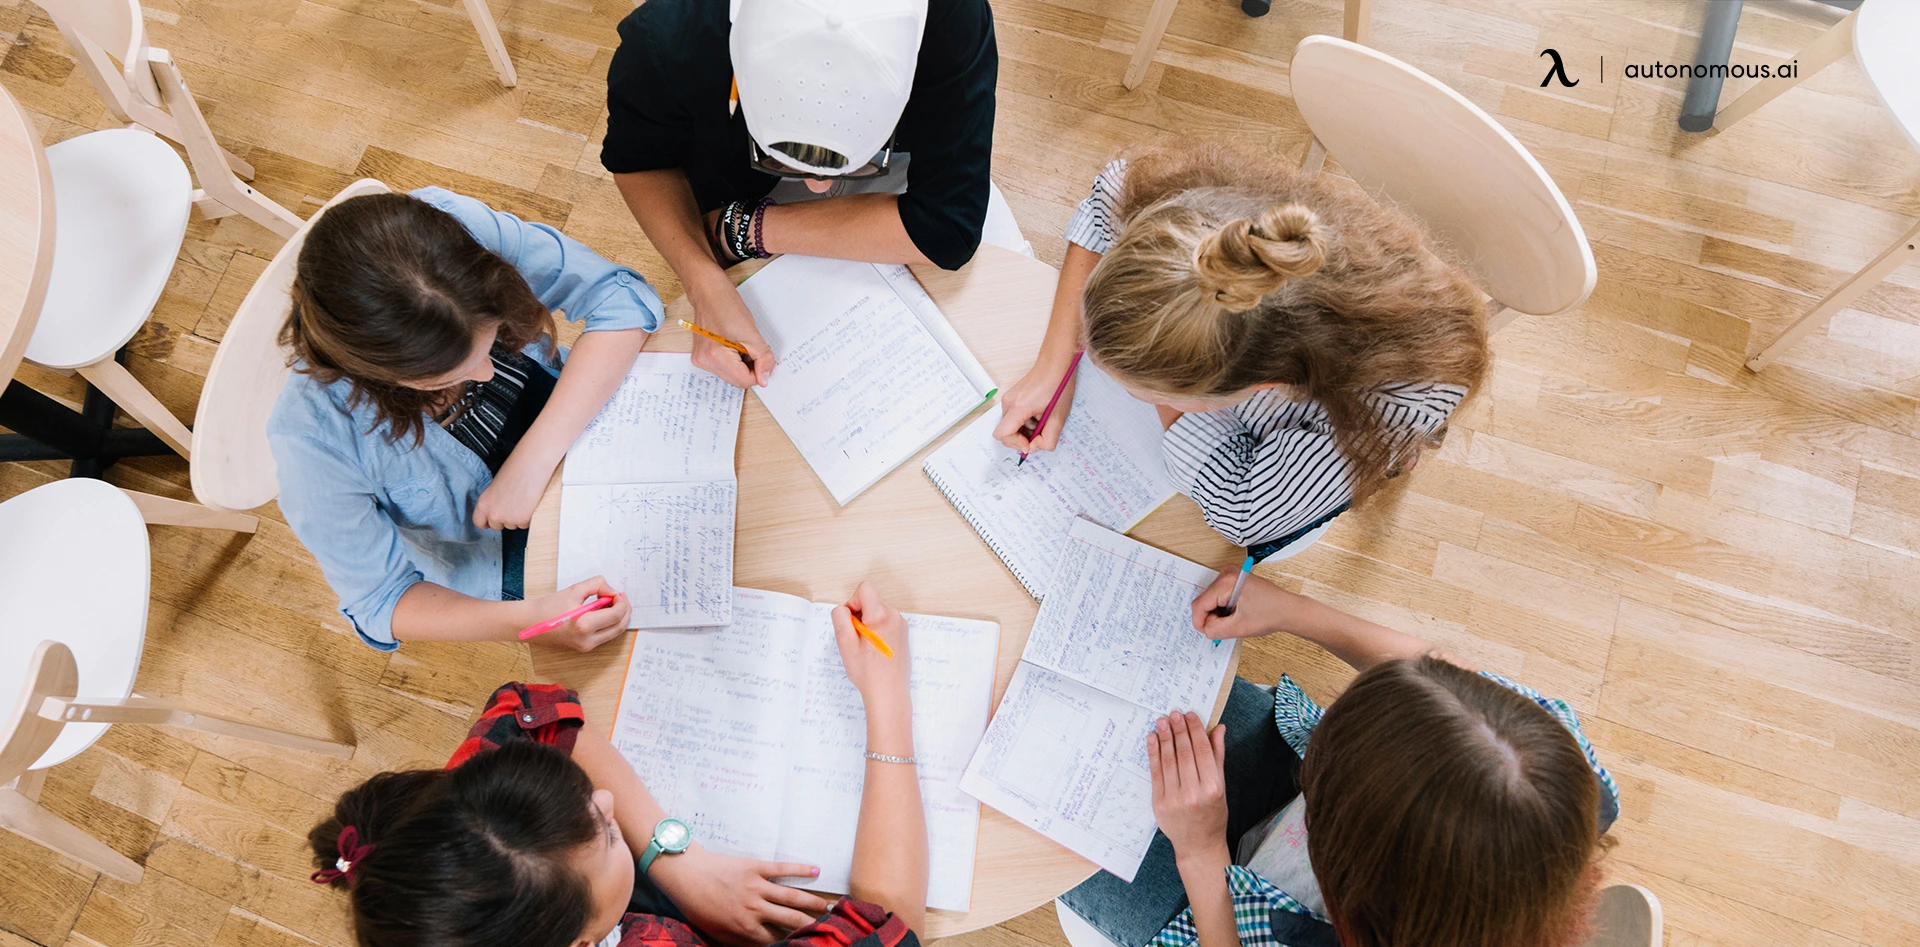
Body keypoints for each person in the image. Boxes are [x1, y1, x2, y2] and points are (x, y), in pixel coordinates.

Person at [310, 582, 929, 947]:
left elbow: (526, 713)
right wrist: (885, 696)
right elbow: (887, 931)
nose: (608, 800)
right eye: (607, 833)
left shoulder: (425, 901)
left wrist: (672, 857)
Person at [1059, 569, 1619, 947]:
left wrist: (1201, 852)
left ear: (1347, 865)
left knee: (1051, 817)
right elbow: (1441, 681)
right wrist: (1294, 613)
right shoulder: (1545, 763)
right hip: (1270, 856)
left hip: (1220, 940)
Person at [994, 144, 1492, 558]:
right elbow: (1110, 187)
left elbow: (1244, 511)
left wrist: (1159, 380)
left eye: (1149, 393)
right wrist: (1053, 363)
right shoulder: (1193, 218)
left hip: (1392, 373)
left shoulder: (1393, 398)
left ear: (1264, 386)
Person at [270, 187, 662, 653]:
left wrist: (532, 461)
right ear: (381, 374)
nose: (488, 373)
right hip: (503, 547)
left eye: (494, 340)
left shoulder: (450, 239)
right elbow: (382, 600)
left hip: (583, 418)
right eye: (448, 377)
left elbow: (619, 297)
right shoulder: (314, 438)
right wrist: (533, 619)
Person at [603, 0, 1027, 392]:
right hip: (741, 186)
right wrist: (702, 281)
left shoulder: (950, 14)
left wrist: (748, 228)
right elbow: (640, 162)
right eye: (783, 159)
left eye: (855, 164)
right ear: (736, 85)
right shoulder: (670, 36)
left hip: (767, 208)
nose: (818, 188)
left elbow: (949, 226)